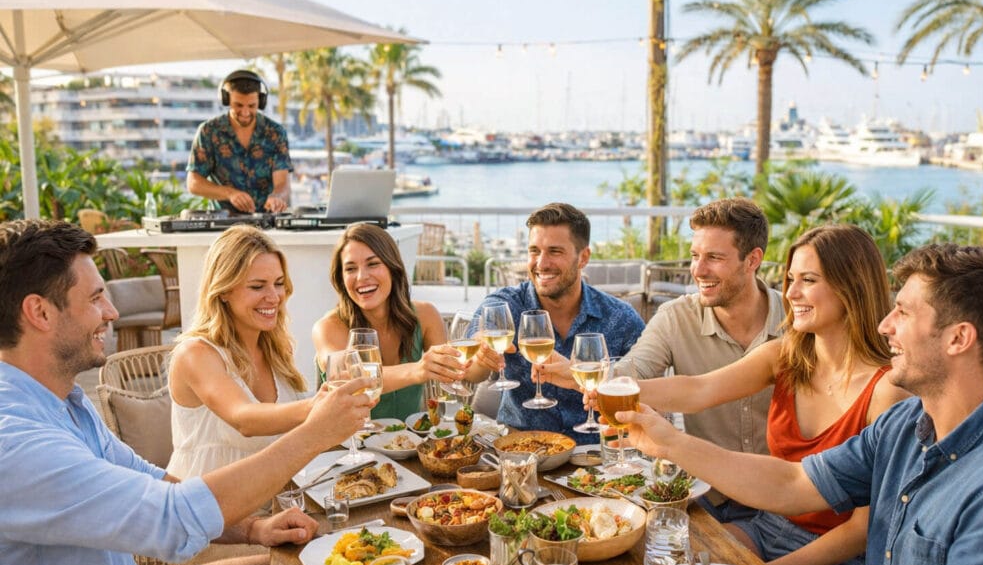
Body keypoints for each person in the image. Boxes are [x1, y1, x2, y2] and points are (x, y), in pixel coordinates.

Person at [617, 243, 983, 565]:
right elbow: (793, 481)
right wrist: (670, 443)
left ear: (958, 338)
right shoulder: (909, 423)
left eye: (904, 313)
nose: (885, 325)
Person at [0, 220, 373, 565]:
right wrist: (315, 432)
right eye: (95, 297)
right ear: (39, 312)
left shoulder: (66, 402)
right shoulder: (14, 442)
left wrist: (255, 527)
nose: (112, 311)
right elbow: (171, 517)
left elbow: (152, 479)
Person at [624, 225, 908, 565]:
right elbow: (698, 389)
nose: (790, 294)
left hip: (842, 561)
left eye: (808, 280)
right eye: (791, 279)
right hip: (769, 526)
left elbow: (861, 531)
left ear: (851, 288)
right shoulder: (786, 356)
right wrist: (610, 389)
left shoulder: (887, 393)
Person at [625, 197, 786, 522]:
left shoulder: (796, 322)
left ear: (753, 259)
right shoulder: (675, 317)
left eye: (714, 257)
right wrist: (583, 376)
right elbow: (631, 371)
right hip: (707, 501)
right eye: (695, 256)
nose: (697, 271)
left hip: (786, 503)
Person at [467, 202, 646, 441]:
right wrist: (480, 353)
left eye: (555, 251)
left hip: (596, 458)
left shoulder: (621, 318)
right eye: (534, 251)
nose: (541, 263)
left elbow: (646, 392)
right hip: (520, 450)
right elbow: (470, 370)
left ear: (583, 257)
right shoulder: (506, 305)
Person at [166, 226, 316, 482]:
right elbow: (244, 419)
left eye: (279, 284)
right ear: (223, 291)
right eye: (257, 286)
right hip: (207, 511)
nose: (274, 297)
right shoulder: (196, 354)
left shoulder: (276, 349)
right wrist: (321, 405)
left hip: (272, 504)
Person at [312, 222, 463, 420]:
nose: (361, 277)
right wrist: (417, 370)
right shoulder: (328, 328)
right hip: (346, 447)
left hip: (407, 444)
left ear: (393, 267)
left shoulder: (425, 315)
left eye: (373, 264)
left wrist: (483, 360)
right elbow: (350, 378)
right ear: (341, 279)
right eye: (350, 268)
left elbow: (453, 370)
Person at [187, 70, 291, 214]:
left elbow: (282, 183)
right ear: (226, 99)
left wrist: (277, 197)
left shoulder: (275, 132)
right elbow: (193, 183)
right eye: (238, 105)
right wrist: (230, 193)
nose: (245, 112)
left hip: (266, 223)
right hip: (224, 224)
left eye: (252, 106)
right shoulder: (208, 131)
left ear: (260, 102)